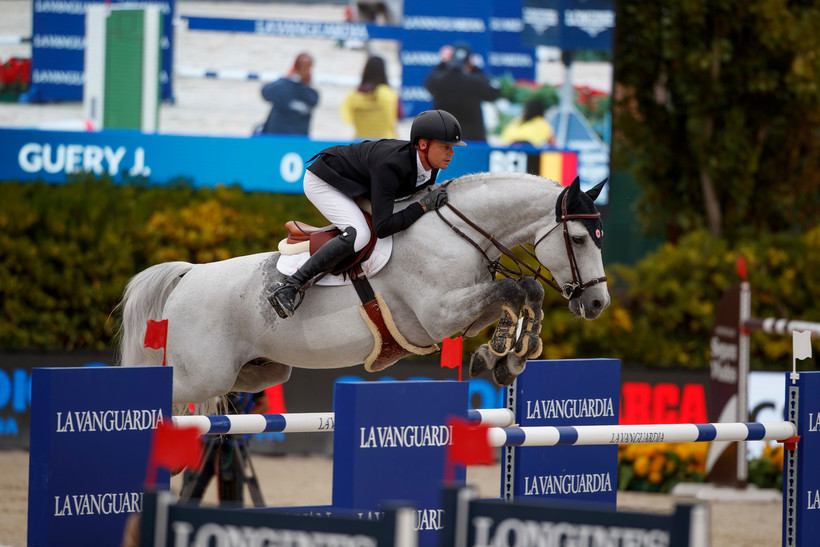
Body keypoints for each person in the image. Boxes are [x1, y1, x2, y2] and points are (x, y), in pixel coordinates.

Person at [268, 109, 465, 319]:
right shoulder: (392, 165)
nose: (451, 153)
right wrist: (423, 207)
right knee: (360, 234)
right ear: (423, 144)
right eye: (445, 147)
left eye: (452, 147)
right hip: (325, 181)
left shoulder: (431, 165)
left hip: (358, 185)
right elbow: (383, 228)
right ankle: (291, 285)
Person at [180, 391, 268, 506]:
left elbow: (264, 404)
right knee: (190, 492)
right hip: (205, 439)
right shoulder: (213, 379)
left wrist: (242, 421)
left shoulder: (249, 380)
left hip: (233, 443)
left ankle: (231, 521)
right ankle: (182, 516)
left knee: (231, 499)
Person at [424, 43, 500, 142]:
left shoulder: (439, 80)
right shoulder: (475, 81)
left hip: (443, 137)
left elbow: (428, 83)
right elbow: (494, 92)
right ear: (469, 61)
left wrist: (442, 64)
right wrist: (475, 69)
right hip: (472, 140)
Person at [258, 53, 319, 135]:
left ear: (294, 68)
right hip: (298, 141)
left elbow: (265, 91)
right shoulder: (312, 95)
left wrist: (287, 78)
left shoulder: (281, 88)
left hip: (274, 138)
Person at [340, 56, 400, 139]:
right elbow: (396, 117)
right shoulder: (388, 94)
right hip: (385, 142)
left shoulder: (354, 95)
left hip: (360, 142)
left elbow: (348, 119)